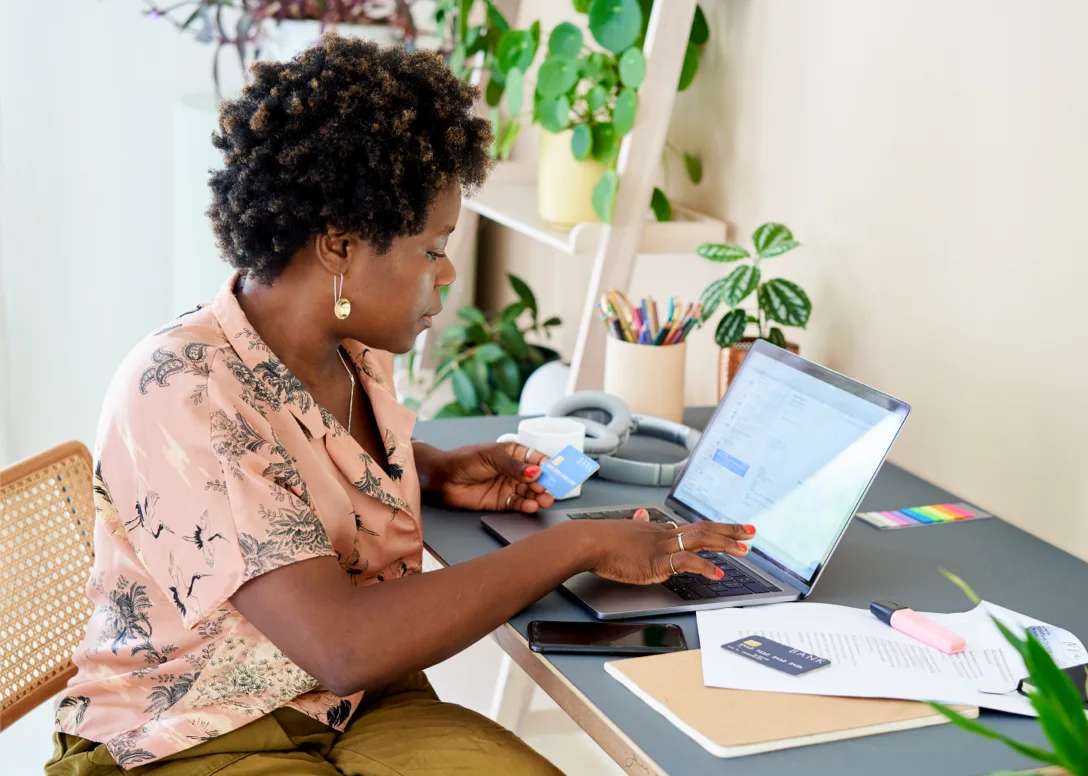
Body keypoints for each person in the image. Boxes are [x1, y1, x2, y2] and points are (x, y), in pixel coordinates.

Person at [46, 35, 754, 776]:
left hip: (347, 706)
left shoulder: (351, 352)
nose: (446, 275)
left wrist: (430, 467)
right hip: (185, 733)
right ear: (340, 246)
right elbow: (343, 645)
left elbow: (288, 473)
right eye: (432, 247)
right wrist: (576, 544)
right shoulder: (182, 388)